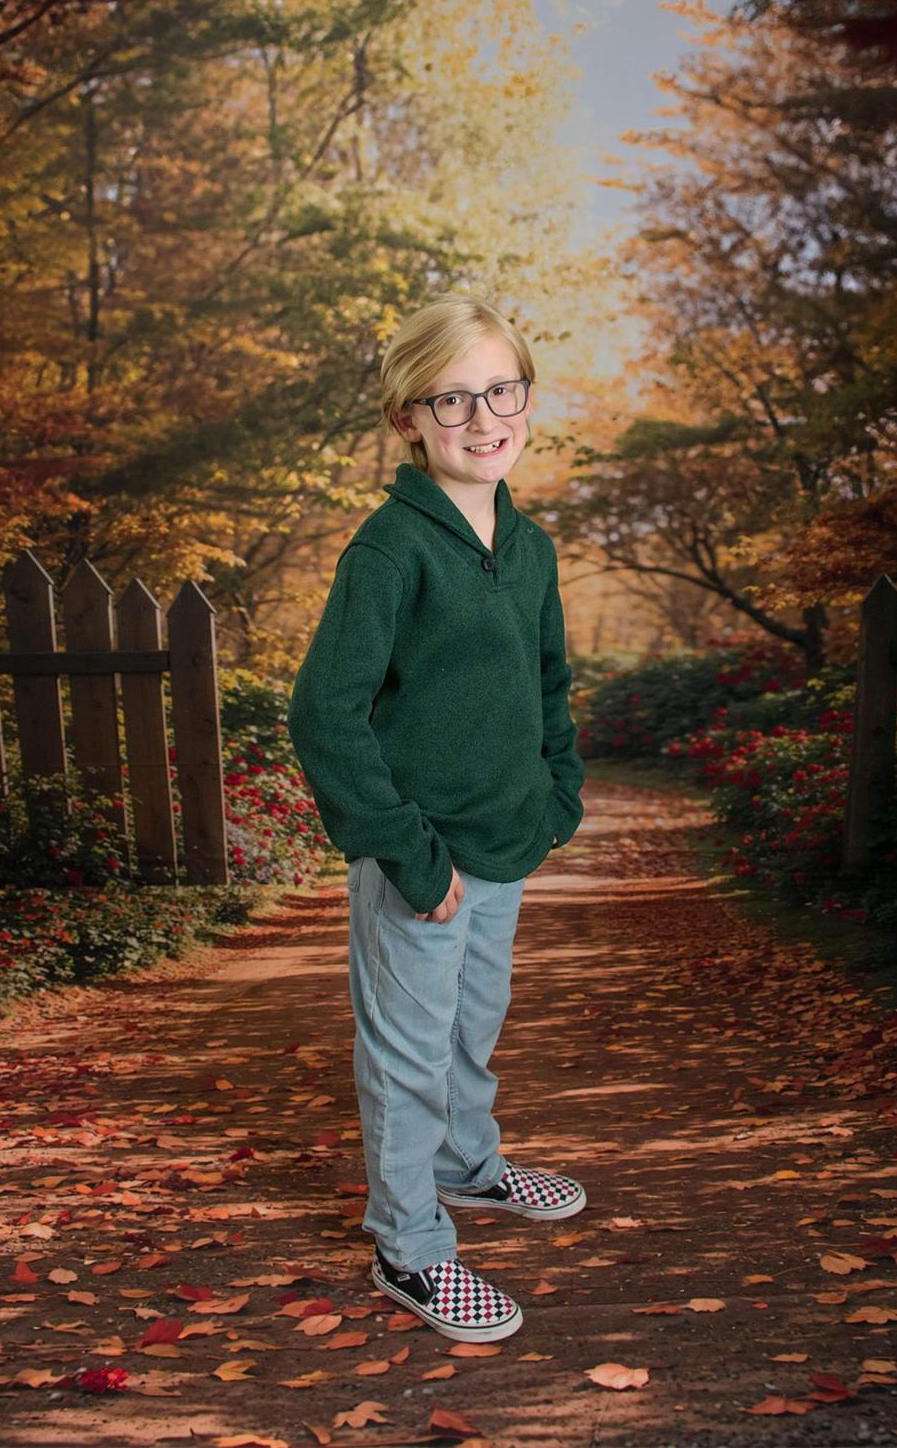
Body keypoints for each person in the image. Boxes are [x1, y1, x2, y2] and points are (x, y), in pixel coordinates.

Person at [287, 293, 586, 1343]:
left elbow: (548, 681)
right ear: (407, 418)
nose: (481, 415)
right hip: (421, 856)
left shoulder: (532, 543)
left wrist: (557, 795)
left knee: (473, 1022)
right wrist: (409, 852)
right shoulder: (389, 550)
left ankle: (466, 1164)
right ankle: (409, 1241)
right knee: (409, 1049)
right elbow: (323, 712)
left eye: (499, 388)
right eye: (449, 397)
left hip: (507, 839)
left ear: (527, 397)